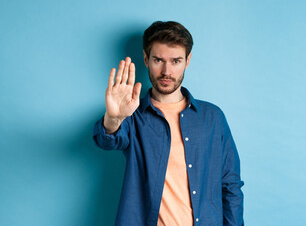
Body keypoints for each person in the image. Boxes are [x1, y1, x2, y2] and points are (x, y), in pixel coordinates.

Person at [92, 21, 244, 226]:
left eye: (175, 61)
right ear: (146, 59)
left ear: (187, 61)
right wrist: (114, 118)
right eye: (158, 60)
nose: (166, 71)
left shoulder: (213, 118)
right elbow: (107, 140)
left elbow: (231, 186)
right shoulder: (133, 116)